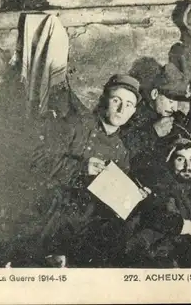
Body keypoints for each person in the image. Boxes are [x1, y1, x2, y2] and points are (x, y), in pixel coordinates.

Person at [18, 74, 151, 267]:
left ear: (133, 111)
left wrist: (132, 197)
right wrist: (81, 168)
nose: (122, 109)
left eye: (129, 105)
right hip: (48, 217)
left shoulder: (121, 151)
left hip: (83, 229)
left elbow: (111, 202)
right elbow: (37, 161)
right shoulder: (76, 125)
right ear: (104, 99)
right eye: (116, 100)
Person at [125, 137, 191, 268]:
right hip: (158, 252)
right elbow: (159, 217)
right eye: (180, 159)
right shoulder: (158, 185)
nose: (188, 166)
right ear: (170, 162)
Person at [120, 63, 191, 182]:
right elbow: (121, 150)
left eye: (177, 101)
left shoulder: (169, 114)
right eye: (171, 100)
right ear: (155, 94)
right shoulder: (134, 115)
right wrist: (153, 132)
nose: (174, 107)